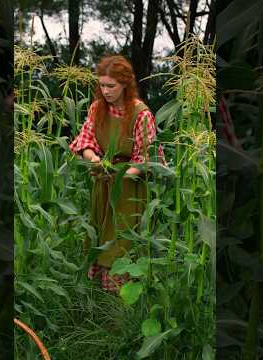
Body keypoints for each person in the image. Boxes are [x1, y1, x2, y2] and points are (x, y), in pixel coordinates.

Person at [69, 55, 165, 294]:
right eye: (102, 85)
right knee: (100, 238)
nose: (106, 91)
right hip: (103, 183)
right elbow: (85, 141)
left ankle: (124, 306)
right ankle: (99, 301)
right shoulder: (97, 109)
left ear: (125, 84)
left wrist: (122, 176)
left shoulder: (141, 114)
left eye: (111, 86)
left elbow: (147, 158)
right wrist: (96, 161)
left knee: (123, 243)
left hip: (129, 189)